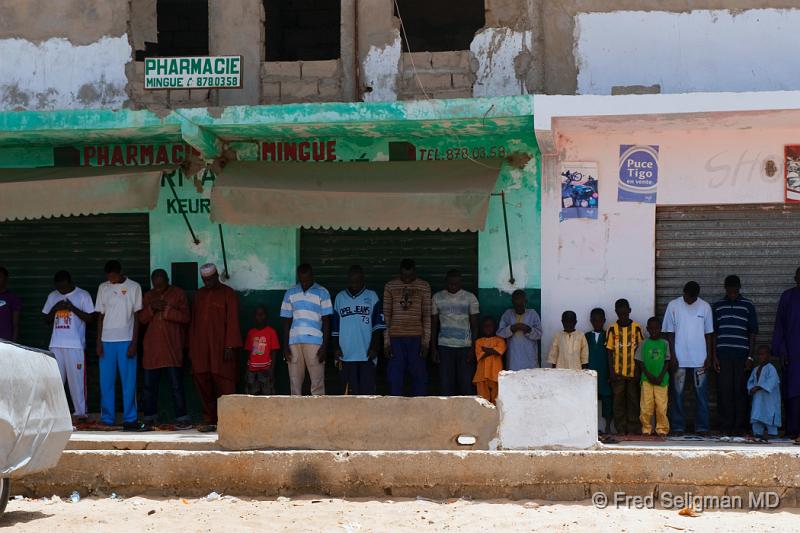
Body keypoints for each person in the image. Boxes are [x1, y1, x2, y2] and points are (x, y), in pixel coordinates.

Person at [189, 263, 241, 431]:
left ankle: (228, 420)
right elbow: (194, 321)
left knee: (224, 381)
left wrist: (230, 345)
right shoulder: (199, 294)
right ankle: (209, 419)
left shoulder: (228, 293)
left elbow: (233, 320)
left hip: (221, 346)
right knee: (202, 379)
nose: (208, 283)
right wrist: (192, 346)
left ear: (216, 275)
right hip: (201, 346)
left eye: (210, 279)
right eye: (205, 280)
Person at [139, 269, 191, 430]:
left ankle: (182, 417)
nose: (159, 288)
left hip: (172, 347)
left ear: (167, 280)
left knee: (176, 386)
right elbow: (141, 319)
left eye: (162, 284)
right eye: (156, 285)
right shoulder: (148, 296)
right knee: (149, 387)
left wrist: (167, 310)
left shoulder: (178, 293)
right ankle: (149, 418)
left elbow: (186, 317)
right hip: (152, 349)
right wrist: (151, 308)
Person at [95, 260, 143, 430]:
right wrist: (98, 342)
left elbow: (137, 317)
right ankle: (107, 418)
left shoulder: (134, 287)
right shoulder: (103, 287)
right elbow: (100, 316)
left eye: (114, 276)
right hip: (107, 341)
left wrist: (134, 343)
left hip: (126, 341)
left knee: (128, 382)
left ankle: (130, 418)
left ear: (121, 272)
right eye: (109, 277)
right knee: (106, 382)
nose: (111, 280)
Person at [663, 281, 715, 436]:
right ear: (683, 292)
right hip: (679, 359)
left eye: (692, 298)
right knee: (677, 395)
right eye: (687, 297)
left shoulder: (705, 307)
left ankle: (702, 427)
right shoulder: (673, 306)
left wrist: (709, 357)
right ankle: (678, 427)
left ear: (697, 296)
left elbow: (709, 334)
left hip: (700, 359)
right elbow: (669, 334)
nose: (689, 300)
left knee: (701, 395)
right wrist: (672, 356)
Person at [41, 270, 94, 422]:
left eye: (64, 288)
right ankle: (53, 414)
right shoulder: (53, 296)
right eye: (58, 288)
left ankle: (80, 413)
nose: (61, 291)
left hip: (75, 346)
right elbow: (45, 319)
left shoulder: (83, 295)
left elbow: (90, 318)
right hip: (56, 345)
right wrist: (55, 308)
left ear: (70, 283)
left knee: (77, 381)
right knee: (55, 381)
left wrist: (72, 308)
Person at [712, 275, 758, 436]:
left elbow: (752, 333)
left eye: (735, 290)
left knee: (740, 391)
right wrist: (714, 356)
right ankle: (725, 427)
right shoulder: (717, 306)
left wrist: (750, 357)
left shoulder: (748, 305)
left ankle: (739, 427)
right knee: (724, 391)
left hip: (741, 355)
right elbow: (714, 333)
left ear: (739, 288)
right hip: (723, 355)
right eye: (730, 291)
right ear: (725, 289)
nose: (732, 293)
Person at [280, 264, 332, 396]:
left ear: (312, 276)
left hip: (315, 343)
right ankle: (296, 414)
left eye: (307, 280)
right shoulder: (290, 293)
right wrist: (285, 347)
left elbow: (327, 322)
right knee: (295, 382)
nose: (305, 283)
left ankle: (317, 414)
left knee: (317, 382)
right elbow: (286, 321)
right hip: (294, 342)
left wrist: (324, 347)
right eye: (302, 280)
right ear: (298, 277)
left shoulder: (322, 292)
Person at [332, 265, 385, 395]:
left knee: (367, 394)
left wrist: (374, 348)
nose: (354, 284)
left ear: (363, 279)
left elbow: (378, 327)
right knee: (348, 395)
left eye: (357, 281)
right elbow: (335, 328)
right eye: (352, 281)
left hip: (366, 354)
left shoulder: (372, 296)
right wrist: (335, 348)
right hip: (346, 355)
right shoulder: (340, 297)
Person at [383, 259, 432, 397]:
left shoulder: (424, 286)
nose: (407, 279)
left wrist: (425, 343)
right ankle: (396, 408)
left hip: (416, 338)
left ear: (415, 272)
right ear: (400, 272)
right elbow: (386, 316)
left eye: (410, 276)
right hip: (395, 338)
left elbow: (427, 316)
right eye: (404, 276)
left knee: (420, 378)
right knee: (395, 378)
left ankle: (419, 409)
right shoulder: (390, 286)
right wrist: (386, 342)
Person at [431, 269, 479, 395]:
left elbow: (474, 325)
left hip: (465, 347)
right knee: (445, 385)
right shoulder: (437, 297)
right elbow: (434, 324)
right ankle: (446, 414)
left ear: (460, 283)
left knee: (466, 384)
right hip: (444, 347)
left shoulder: (470, 298)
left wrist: (473, 349)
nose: (453, 286)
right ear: (445, 282)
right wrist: (433, 348)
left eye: (456, 284)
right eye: (450, 284)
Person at [606, 298, 643, 435]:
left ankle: (633, 428)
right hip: (617, 374)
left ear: (629, 311)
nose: (623, 316)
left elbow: (640, 350)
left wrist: (639, 371)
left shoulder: (637, 328)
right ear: (616, 312)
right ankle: (621, 428)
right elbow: (609, 352)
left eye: (625, 314)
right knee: (618, 403)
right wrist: (611, 373)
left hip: (633, 373)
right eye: (620, 314)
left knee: (634, 401)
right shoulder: (611, 329)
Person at [772, 267, 800, 440]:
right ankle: (792, 430)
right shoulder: (787, 296)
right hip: (792, 354)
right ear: (795, 278)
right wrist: (781, 350)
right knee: (792, 393)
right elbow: (779, 326)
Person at [635, 317, 671, 437]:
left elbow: (667, 361)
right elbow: (639, 361)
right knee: (646, 407)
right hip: (647, 380)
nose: (654, 331)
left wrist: (660, 376)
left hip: (662, 380)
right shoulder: (643, 343)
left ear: (660, 329)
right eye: (652, 328)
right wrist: (648, 374)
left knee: (661, 406)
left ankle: (662, 429)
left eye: (657, 328)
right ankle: (646, 429)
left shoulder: (665, 343)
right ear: (647, 329)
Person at [497, 290, 543, 370]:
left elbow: (539, 334)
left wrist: (528, 329)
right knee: (513, 378)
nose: (518, 307)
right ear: (512, 302)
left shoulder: (532, 314)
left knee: (531, 378)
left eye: (521, 305)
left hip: (529, 357)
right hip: (513, 358)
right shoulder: (507, 314)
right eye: (516, 305)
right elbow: (500, 333)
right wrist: (512, 328)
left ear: (525, 301)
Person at [586, 308, 612, 434]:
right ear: (591, 321)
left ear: (604, 321)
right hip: (590, 373)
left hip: (605, 372)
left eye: (599, 320)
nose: (597, 323)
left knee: (607, 398)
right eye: (594, 320)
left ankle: (607, 427)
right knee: (590, 400)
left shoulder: (609, 335)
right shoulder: (586, 336)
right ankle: (591, 427)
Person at [748, 345, 781, 442]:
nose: (760, 357)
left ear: (768, 356)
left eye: (763, 354)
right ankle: (757, 433)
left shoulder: (771, 369)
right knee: (757, 415)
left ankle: (772, 433)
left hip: (769, 399)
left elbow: (772, 382)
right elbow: (750, 382)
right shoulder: (755, 369)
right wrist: (750, 389)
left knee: (770, 414)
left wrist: (758, 387)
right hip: (758, 399)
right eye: (759, 355)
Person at [244, 305, 280, 396]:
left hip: (266, 370)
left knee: (267, 395)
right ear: (254, 317)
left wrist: (271, 370)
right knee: (252, 395)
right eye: (257, 314)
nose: (260, 316)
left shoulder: (271, 332)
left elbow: (274, 352)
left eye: (262, 314)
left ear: (266, 316)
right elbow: (248, 352)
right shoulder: (251, 333)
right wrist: (247, 370)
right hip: (252, 371)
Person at [473, 316, 506, 404]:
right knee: (483, 401)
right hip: (481, 375)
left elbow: (499, 352)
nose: (488, 328)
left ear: (495, 327)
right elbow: (480, 355)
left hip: (496, 375)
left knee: (496, 400)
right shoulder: (478, 341)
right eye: (485, 326)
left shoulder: (500, 340)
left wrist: (486, 350)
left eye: (490, 325)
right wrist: (493, 350)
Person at [0, 266, 21, 342]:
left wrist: (13, 345)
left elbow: (15, 324)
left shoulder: (12, 298)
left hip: (5, 342)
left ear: (6, 279)